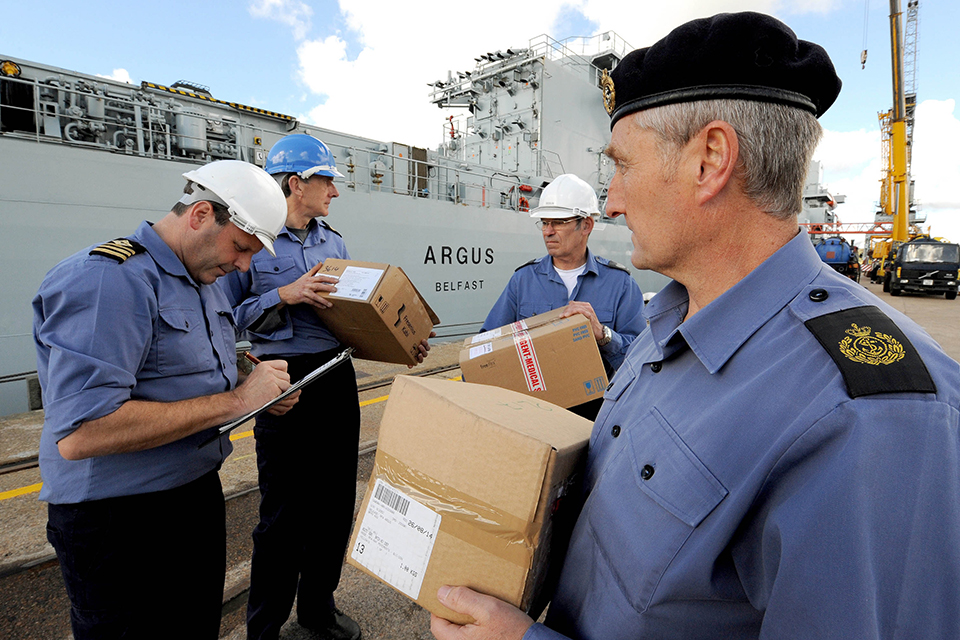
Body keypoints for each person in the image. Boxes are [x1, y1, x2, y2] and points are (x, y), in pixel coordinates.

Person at [430, 12, 960, 640]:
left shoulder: (875, 417)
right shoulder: (665, 322)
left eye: (622, 166)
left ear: (710, 160)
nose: (612, 200)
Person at [33, 160, 296, 640]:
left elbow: (194, 359)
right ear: (199, 215)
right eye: (241, 247)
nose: (243, 266)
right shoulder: (109, 280)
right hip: (119, 523)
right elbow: (80, 432)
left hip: (191, 496)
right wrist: (238, 403)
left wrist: (252, 379)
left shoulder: (201, 279)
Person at [222, 133, 431, 640]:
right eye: (326, 181)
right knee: (282, 516)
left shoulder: (332, 241)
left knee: (334, 505)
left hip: (335, 376)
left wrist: (396, 339)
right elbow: (225, 314)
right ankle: (264, 629)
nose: (334, 192)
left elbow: (351, 313)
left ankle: (317, 610)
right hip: (282, 385)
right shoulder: (250, 237)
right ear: (296, 184)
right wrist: (285, 293)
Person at [480, 173, 645, 418]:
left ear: (586, 225)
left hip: (596, 420)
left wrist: (603, 335)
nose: (548, 231)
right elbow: (486, 347)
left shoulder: (620, 284)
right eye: (545, 223)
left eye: (558, 222)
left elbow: (643, 360)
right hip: (533, 416)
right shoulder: (522, 280)